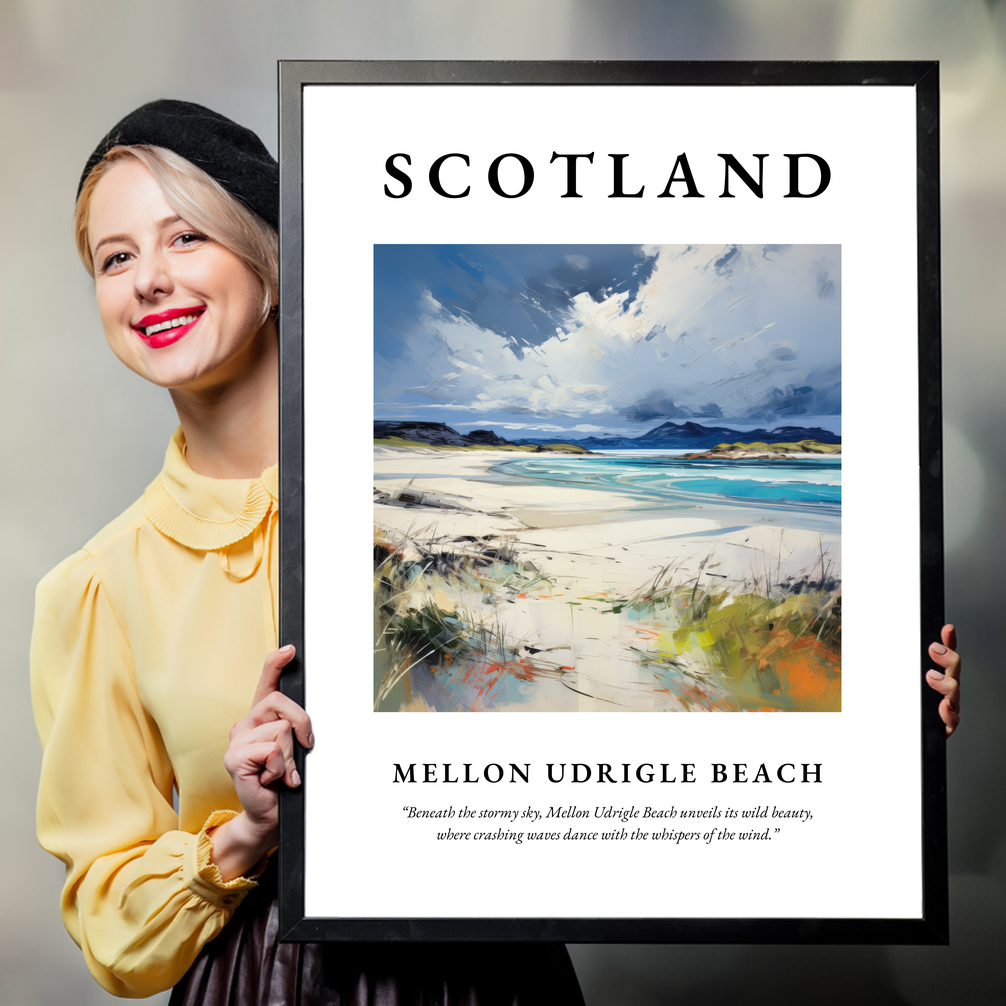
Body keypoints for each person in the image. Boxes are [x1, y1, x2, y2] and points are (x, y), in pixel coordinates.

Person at [30, 100, 586, 1004]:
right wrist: (245, 833)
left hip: (491, 971)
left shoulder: (445, 514)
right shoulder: (98, 586)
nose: (149, 281)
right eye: (115, 258)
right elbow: (110, 924)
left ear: (273, 262)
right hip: (263, 981)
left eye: (186, 237)